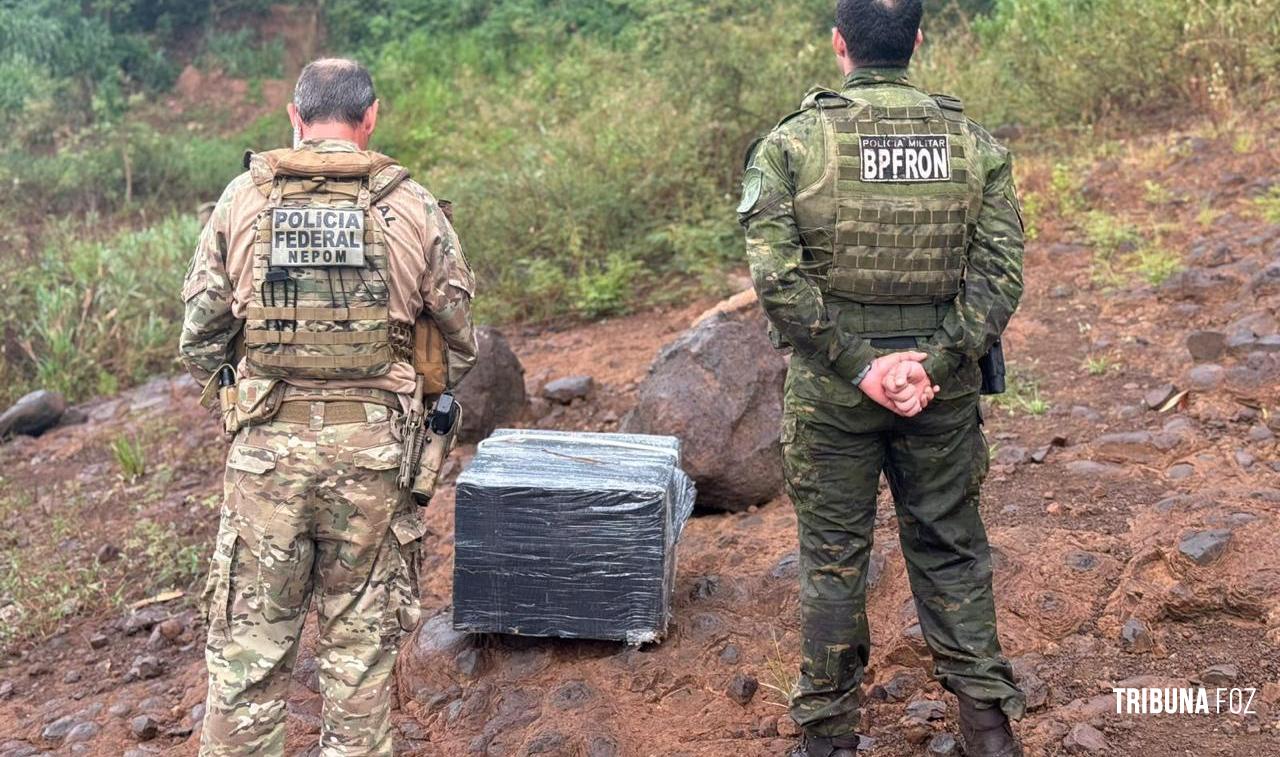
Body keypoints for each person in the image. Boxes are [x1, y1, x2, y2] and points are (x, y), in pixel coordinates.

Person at [738, 1, 1026, 755]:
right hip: (942, 387)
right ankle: (989, 731)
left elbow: (778, 281)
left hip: (835, 392)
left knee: (834, 559)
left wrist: (862, 367)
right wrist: (930, 364)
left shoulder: (791, 146)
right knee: (952, 545)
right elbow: (999, 278)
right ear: (918, 41)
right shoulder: (973, 143)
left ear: (840, 44)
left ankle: (829, 739)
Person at [179, 58, 477, 756]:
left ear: (294, 114)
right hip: (375, 461)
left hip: (265, 460)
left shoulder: (241, 201)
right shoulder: (413, 205)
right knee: (359, 663)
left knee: (248, 661)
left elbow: (199, 338)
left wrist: (250, 390)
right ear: (371, 116)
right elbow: (457, 344)